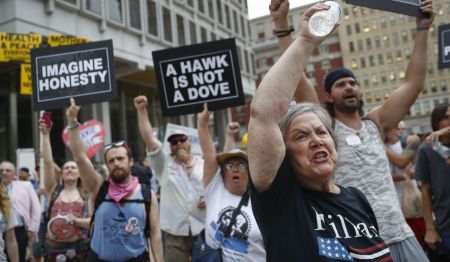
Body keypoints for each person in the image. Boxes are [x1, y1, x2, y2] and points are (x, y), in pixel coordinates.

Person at [273, 0, 434, 258]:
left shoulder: (376, 124)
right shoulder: (324, 128)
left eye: (352, 83)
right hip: (359, 242)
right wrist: (282, 26)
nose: (348, 87)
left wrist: (423, 28)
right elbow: (296, 74)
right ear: (328, 94)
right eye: (340, 84)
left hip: (401, 234)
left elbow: (414, 84)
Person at [248, 4, 392, 261]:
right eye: (301, 136)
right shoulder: (280, 201)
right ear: (285, 154)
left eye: (322, 132)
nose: (316, 140)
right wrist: (305, 40)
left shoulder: (357, 199)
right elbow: (264, 114)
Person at [66, 99, 163, 262]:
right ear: (107, 165)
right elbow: (80, 157)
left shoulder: (146, 194)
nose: (116, 163)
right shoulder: (98, 187)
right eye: (111, 161)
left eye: (120, 158)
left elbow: (155, 233)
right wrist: (72, 122)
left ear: (130, 161)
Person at [134, 95, 205, 262]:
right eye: (174, 142)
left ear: (190, 143)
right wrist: (142, 110)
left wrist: (209, 197)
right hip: (175, 234)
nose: (179, 143)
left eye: (182, 140)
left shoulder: (204, 163)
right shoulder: (163, 164)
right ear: (170, 147)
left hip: (203, 230)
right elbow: (149, 139)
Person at [197, 104, 265, 261]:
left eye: (241, 165)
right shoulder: (215, 190)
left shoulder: (262, 199)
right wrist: (202, 123)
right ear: (222, 172)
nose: (235, 169)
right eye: (229, 165)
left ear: (249, 171)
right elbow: (209, 155)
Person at [39, 114, 92, 261]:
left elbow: (93, 221)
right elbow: (48, 163)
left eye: (73, 168)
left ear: (80, 174)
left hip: (79, 252)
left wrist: (75, 221)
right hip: (53, 252)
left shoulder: (87, 195)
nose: (69, 169)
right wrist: (45, 135)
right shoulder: (53, 191)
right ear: (61, 174)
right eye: (66, 168)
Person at [415, 104, 450, 256]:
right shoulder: (426, 149)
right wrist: (430, 228)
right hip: (446, 223)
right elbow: (425, 190)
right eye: (446, 117)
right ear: (436, 122)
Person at [0, 161, 41, 262]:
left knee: (19, 256)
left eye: (8, 170)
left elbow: (36, 208)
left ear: (14, 173)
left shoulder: (25, 186)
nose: (4, 173)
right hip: (1, 229)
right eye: (1, 170)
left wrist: (32, 229)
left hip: (20, 230)